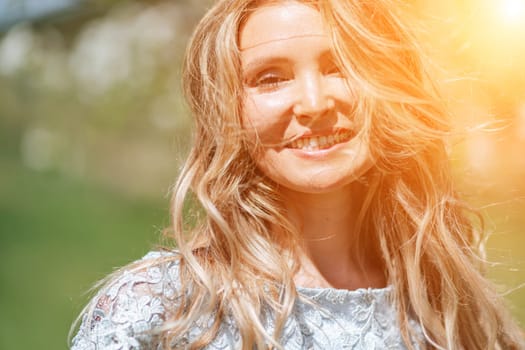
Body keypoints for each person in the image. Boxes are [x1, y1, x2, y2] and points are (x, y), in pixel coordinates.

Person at [70, 0, 525, 349]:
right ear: (225, 110)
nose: (313, 103)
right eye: (270, 78)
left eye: (341, 66)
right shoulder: (158, 313)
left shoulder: (450, 304)